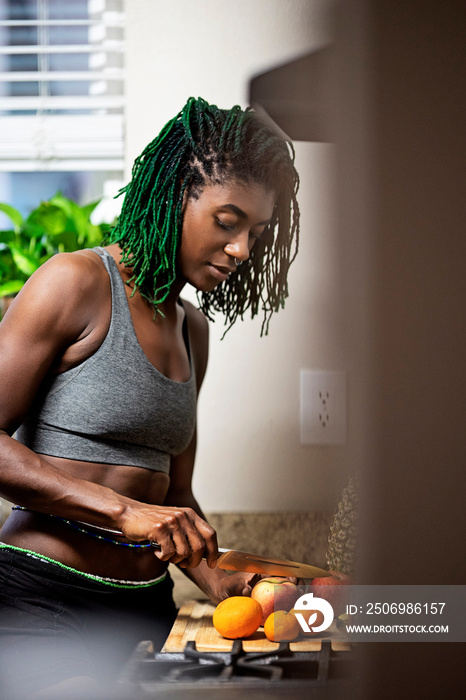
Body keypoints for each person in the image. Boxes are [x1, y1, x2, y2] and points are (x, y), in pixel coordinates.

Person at [0, 97, 300, 698]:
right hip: (39, 595)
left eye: (255, 233)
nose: (242, 249)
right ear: (175, 195)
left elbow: (175, 493)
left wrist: (219, 578)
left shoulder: (194, 331)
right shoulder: (75, 283)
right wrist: (122, 511)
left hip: (143, 609)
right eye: (227, 220)